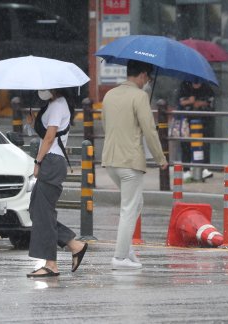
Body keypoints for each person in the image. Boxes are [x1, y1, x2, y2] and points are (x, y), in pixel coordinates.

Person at [102, 60, 168, 270]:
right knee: (129, 208)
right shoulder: (140, 97)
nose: (148, 81)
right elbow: (150, 130)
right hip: (130, 161)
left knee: (135, 204)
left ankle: (127, 248)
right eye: (147, 77)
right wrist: (161, 159)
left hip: (111, 160)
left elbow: (106, 125)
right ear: (142, 75)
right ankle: (120, 257)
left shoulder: (109, 95)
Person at [26, 88, 88, 278]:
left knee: (44, 211)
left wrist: (37, 162)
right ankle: (74, 245)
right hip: (51, 161)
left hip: (51, 162)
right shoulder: (53, 105)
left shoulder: (58, 105)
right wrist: (34, 121)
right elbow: (48, 133)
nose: (41, 90)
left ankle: (51, 264)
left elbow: (50, 137)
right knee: (37, 210)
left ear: (54, 87)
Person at [177, 80, 215, 180]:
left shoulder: (207, 88)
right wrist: (191, 101)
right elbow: (179, 102)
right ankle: (186, 169)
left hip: (203, 121)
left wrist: (199, 103)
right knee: (186, 144)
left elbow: (210, 103)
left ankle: (204, 168)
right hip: (187, 120)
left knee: (204, 144)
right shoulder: (184, 85)